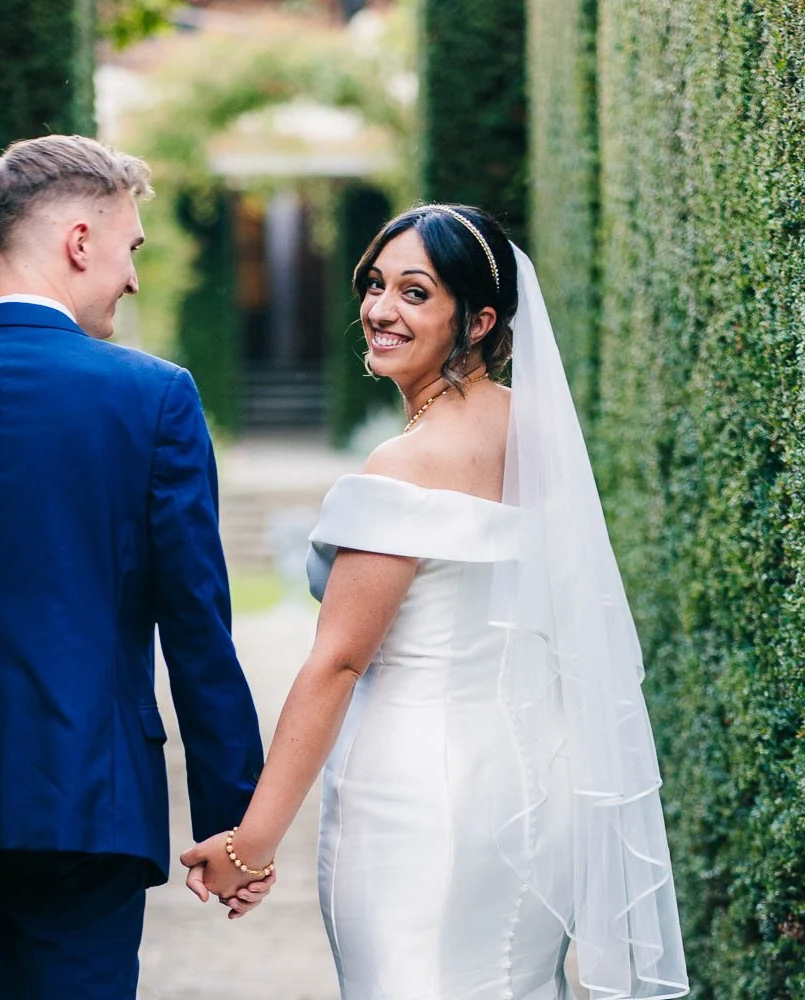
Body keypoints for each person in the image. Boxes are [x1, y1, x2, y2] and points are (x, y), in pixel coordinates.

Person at [180, 204, 689, 999]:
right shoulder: (538, 437)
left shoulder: (404, 465)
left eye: (415, 293)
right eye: (375, 285)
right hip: (533, 790)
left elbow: (337, 664)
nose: (381, 309)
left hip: (415, 797)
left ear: (479, 321)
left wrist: (251, 845)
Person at [0, 134, 272, 1000]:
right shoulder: (156, 398)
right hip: (91, 801)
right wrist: (234, 824)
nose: (132, 277)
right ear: (78, 241)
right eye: (130, 248)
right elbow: (195, 625)